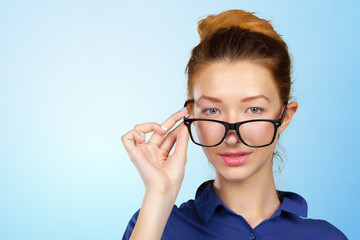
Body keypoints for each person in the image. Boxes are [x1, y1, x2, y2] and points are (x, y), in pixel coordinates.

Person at [121, 9, 348, 240]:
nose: (232, 136)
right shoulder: (154, 225)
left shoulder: (325, 236)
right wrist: (159, 194)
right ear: (190, 117)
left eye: (253, 109)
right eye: (212, 110)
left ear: (285, 116)